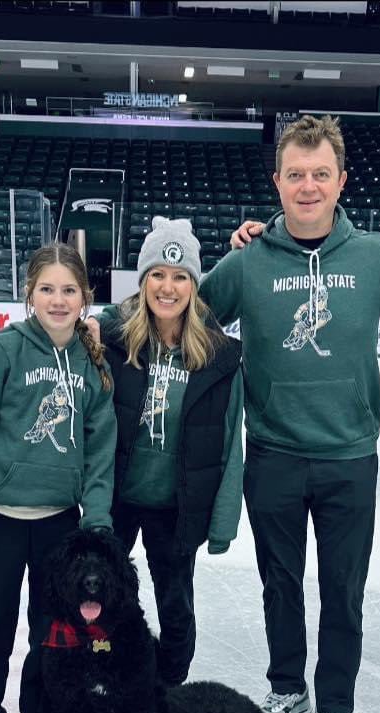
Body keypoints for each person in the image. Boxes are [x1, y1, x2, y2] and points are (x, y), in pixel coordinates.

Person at [199, 114, 380, 713]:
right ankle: (288, 690)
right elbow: (187, 317)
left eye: (321, 174)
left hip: (350, 457)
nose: (308, 186)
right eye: (296, 175)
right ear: (277, 181)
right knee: (280, 586)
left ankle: (336, 707)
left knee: (344, 590)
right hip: (275, 457)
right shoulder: (248, 260)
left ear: (341, 180)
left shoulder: (377, 258)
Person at [0, 242, 116, 713]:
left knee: (53, 633)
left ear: (85, 298)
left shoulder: (92, 363)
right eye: (47, 288)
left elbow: (98, 451)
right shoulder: (0, 351)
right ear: (29, 294)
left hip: (60, 525)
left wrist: (95, 526)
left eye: (69, 289)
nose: (58, 299)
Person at [96, 217, 243, 686]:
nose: (168, 286)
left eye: (180, 276)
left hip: (176, 507)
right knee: (102, 600)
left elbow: (229, 442)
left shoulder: (218, 357)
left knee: (175, 605)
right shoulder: (112, 340)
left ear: (194, 286)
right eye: (158, 274)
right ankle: (105, 677)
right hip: (117, 499)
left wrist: (221, 520)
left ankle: (170, 689)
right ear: (143, 281)